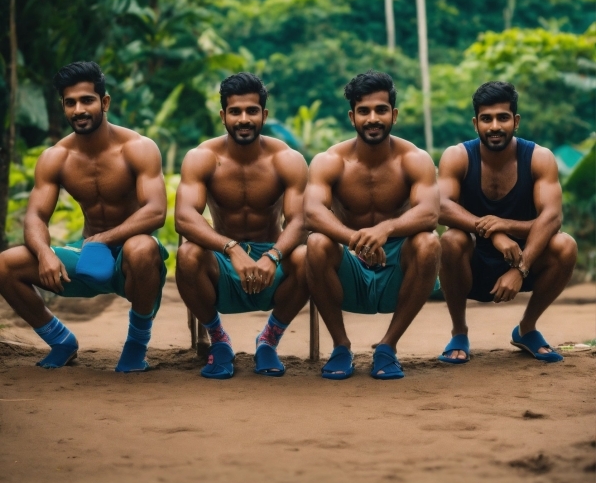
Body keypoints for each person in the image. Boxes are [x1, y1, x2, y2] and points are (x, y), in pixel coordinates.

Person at [0, 61, 169, 371]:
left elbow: (156, 211)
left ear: (104, 102)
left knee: (141, 247)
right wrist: (44, 254)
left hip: (133, 263)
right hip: (89, 258)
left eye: (87, 100)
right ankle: (60, 340)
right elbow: (36, 215)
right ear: (63, 106)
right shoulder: (56, 157)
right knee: (5, 265)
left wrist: (103, 239)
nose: (78, 109)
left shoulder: (138, 148)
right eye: (70, 102)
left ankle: (135, 346)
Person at [304, 71, 440, 380]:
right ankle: (340, 347)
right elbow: (312, 213)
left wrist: (386, 229)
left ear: (394, 114)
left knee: (429, 242)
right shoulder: (330, 160)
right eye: (364, 111)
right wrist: (359, 239)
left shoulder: (414, 159)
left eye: (381, 110)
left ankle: (387, 348)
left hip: (398, 266)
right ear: (352, 116)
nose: (373, 118)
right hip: (350, 264)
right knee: (316, 243)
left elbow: (430, 214)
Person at [175, 73, 308, 379]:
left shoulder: (287, 159)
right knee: (188, 254)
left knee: (308, 255)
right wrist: (230, 248)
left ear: (264, 114)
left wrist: (273, 256)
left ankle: (268, 341)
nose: (244, 119)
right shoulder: (202, 157)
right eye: (235, 112)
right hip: (222, 259)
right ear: (223, 115)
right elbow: (184, 217)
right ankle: (218, 339)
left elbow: (301, 221)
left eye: (252, 111)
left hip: (271, 260)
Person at [437, 81, 577, 364]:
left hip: (524, 256)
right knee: (451, 240)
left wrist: (520, 266)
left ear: (516, 121)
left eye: (502, 117)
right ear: (476, 123)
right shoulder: (458, 156)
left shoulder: (539, 158)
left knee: (565, 245)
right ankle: (459, 332)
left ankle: (527, 328)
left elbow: (551, 219)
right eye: (486, 119)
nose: (495, 126)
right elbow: (439, 208)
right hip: (472, 264)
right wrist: (493, 233)